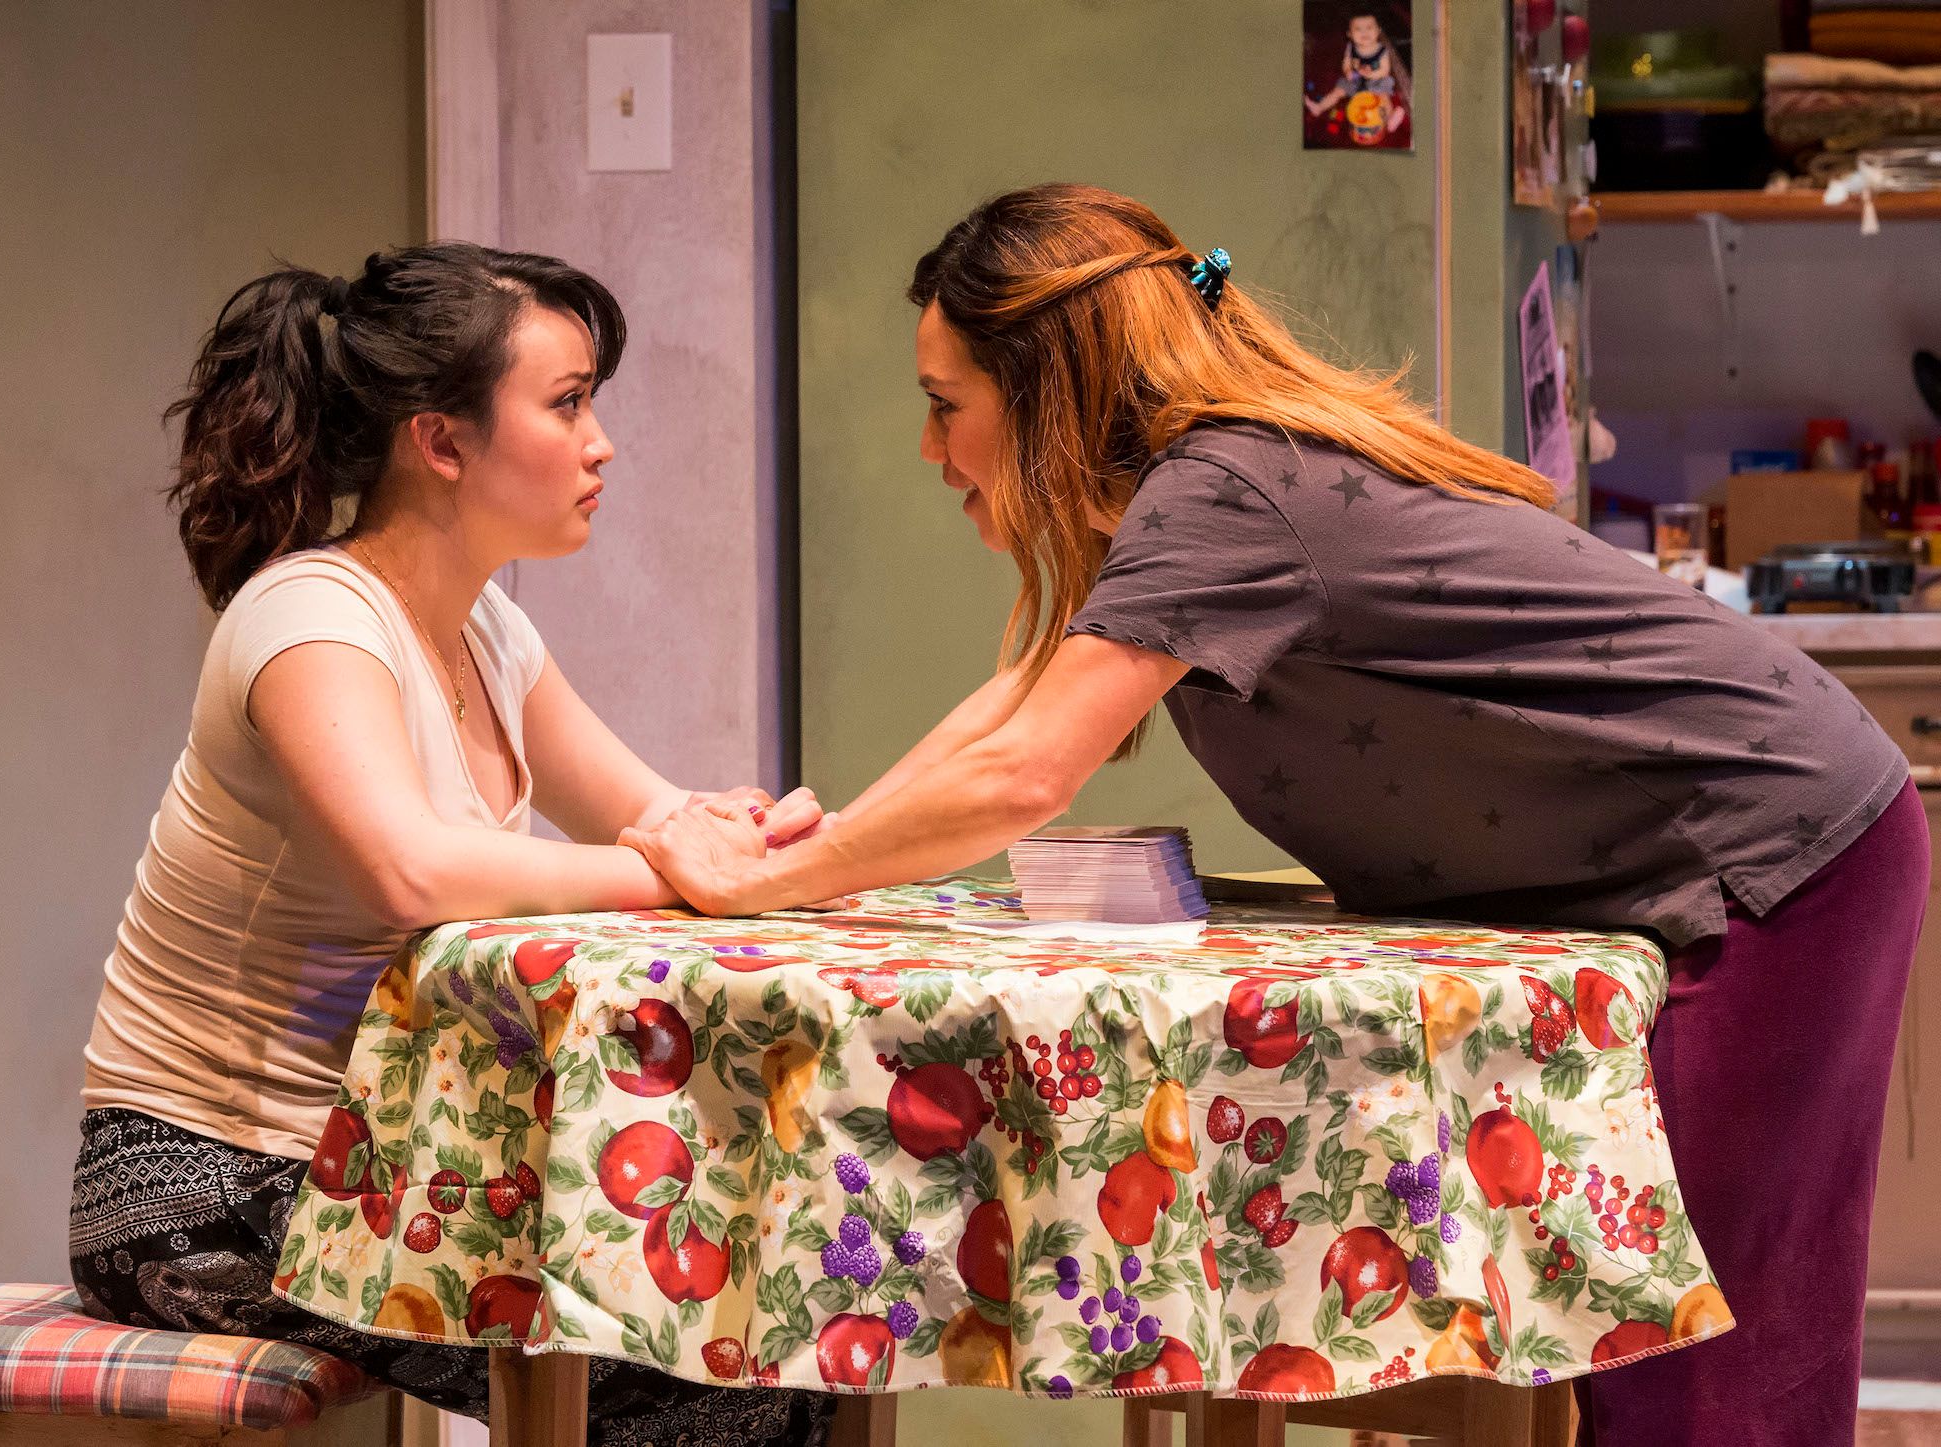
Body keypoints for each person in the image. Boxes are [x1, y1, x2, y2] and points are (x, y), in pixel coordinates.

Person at [620, 184, 1926, 1447]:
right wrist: (820, 849)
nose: (930, 449)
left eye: (943, 405)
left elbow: (1026, 771)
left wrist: (766, 884)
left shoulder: (1223, 495)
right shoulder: (1193, 499)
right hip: (1727, 844)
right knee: (1639, 1351)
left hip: (1771, 848)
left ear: (1041, 388)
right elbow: (1011, 710)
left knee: (1707, 1382)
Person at [70, 242, 831, 1447]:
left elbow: (648, 815)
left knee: (772, 1313)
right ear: (440, 441)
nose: (600, 444)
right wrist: (677, 867)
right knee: (718, 1390)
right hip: (200, 1188)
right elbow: (411, 868)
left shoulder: (489, 633)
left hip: (361, 1166)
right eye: (567, 403)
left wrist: (747, 832)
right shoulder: (311, 618)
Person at [1305, 10, 1411, 134]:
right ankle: (1319, 107)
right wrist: (1348, 71)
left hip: (1377, 80)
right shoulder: (1351, 47)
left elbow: (1385, 70)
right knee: (1337, 91)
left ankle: (1390, 118)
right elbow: (1346, 62)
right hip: (1356, 80)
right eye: (1358, 29)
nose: (1364, 32)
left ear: (1378, 31)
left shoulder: (1382, 50)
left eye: (1369, 28)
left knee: (1384, 98)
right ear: (1349, 34)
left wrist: (1371, 74)